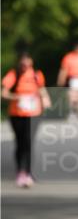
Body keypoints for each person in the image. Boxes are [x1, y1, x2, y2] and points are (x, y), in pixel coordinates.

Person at [1, 51, 51, 187]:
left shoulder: (36, 75)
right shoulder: (13, 74)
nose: (25, 64)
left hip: (34, 113)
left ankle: (28, 172)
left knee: (29, 142)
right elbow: (3, 93)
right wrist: (17, 98)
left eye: (27, 60)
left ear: (31, 61)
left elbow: (41, 89)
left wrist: (46, 99)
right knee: (20, 143)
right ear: (19, 62)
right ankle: (20, 171)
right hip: (17, 114)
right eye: (23, 61)